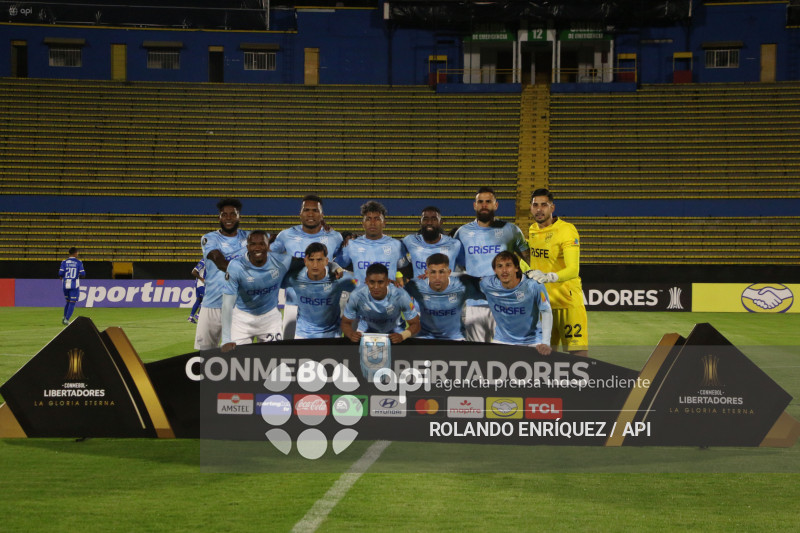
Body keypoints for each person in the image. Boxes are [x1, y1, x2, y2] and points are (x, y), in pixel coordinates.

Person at [453, 186, 530, 342]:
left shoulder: (511, 230)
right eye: (480, 202)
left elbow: (529, 259)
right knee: (477, 355)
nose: (484, 205)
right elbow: (456, 266)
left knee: (507, 353)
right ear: (475, 205)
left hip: (507, 302)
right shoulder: (462, 233)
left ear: (496, 205)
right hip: (476, 304)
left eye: (488, 201)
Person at [270, 194, 344, 340]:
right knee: (291, 354)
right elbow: (270, 258)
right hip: (293, 304)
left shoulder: (335, 237)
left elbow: (341, 261)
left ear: (322, 215)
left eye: (315, 210)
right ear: (300, 214)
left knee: (330, 355)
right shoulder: (285, 235)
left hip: (326, 306)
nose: (310, 214)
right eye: (307, 210)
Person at [527, 188, 588, 356]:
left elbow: (573, 270)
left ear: (552, 208)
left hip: (567, 303)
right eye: (535, 205)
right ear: (531, 208)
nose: (539, 209)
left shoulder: (567, 230)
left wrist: (549, 277)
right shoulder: (532, 230)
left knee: (578, 357)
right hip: (544, 306)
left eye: (544, 205)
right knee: (542, 358)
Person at [221, 231, 292, 351]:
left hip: (270, 319)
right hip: (242, 320)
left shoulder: (282, 260)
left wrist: (333, 267)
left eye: (261, 244)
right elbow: (227, 304)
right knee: (236, 363)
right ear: (247, 246)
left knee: (274, 362)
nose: (257, 248)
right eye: (253, 244)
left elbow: (307, 263)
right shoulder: (236, 266)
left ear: (268, 246)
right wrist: (226, 339)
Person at [195, 198, 250, 351]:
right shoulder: (209, 238)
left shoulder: (250, 238)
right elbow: (220, 263)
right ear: (219, 217)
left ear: (239, 216)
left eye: (233, 214)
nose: (228, 218)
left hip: (237, 308)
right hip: (211, 305)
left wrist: (318, 230)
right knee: (205, 355)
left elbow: (278, 239)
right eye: (224, 214)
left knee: (238, 359)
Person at [479, 251, 552, 354]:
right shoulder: (487, 284)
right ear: (495, 270)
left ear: (516, 268)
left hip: (532, 341)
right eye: (499, 266)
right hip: (502, 340)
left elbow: (546, 311)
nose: (504, 270)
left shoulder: (533, 285)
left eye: (508, 265)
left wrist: (545, 342)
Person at [283, 242, 356, 339]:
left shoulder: (340, 278)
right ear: (305, 261)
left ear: (326, 261)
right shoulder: (294, 278)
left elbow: (362, 286)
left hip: (332, 335)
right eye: (311, 260)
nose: (315, 265)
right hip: (302, 335)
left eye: (319, 260)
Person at [404, 253, 479, 341]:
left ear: (449, 272)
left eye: (441, 272)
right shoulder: (415, 285)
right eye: (433, 272)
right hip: (425, 336)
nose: (437, 277)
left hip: (456, 338)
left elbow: (489, 292)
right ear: (426, 273)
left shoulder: (462, 285)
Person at [341, 263, 420, 344]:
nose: (376, 287)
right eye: (372, 282)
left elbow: (415, 324)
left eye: (380, 282)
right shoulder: (357, 295)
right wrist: (351, 334)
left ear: (388, 282)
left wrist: (402, 336)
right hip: (365, 335)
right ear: (366, 281)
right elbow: (345, 322)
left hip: (395, 335)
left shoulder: (401, 295)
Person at [338, 201, 407, 283]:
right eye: (368, 219)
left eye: (377, 219)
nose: (372, 223)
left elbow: (404, 271)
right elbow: (338, 268)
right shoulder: (351, 245)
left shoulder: (396, 246)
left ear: (384, 223)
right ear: (363, 223)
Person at [401, 206, 462, 279]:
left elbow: (469, 270)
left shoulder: (454, 244)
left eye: (434, 219)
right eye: (425, 219)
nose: (429, 222)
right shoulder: (410, 240)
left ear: (441, 222)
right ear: (420, 222)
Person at [58, 247, 85, 326]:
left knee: (68, 301)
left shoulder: (64, 262)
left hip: (65, 284)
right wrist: (78, 274)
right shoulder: (79, 262)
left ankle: (64, 317)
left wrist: (62, 276)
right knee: (72, 302)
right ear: (75, 253)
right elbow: (83, 274)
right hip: (74, 284)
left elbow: (60, 273)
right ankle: (67, 319)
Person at [188, 258, 205, 324]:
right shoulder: (203, 261)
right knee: (207, 298)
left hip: (199, 284)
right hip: (201, 284)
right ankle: (198, 315)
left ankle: (190, 317)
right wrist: (202, 279)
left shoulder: (207, 261)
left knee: (199, 300)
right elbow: (193, 272)